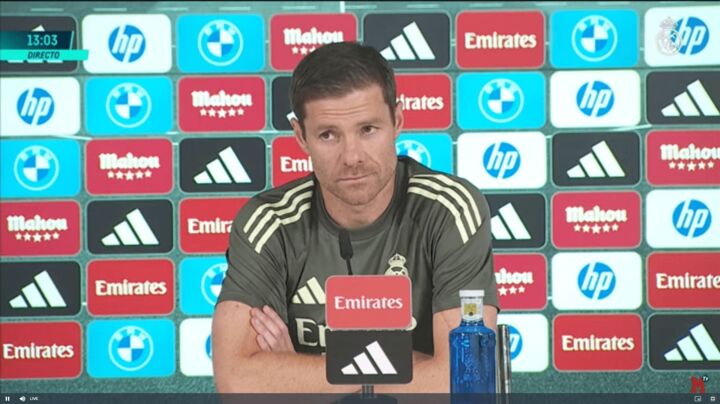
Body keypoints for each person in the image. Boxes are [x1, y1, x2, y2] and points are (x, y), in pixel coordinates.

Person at [212, 41, 499, 393]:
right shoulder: (270, 221)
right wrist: (402, 366)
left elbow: (465, 381)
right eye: (328, 134)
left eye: (367, 130)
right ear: (301, 136)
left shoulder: (449, 209)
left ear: (397, 121)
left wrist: (298, 374)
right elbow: (238, 381)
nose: (352, 157)